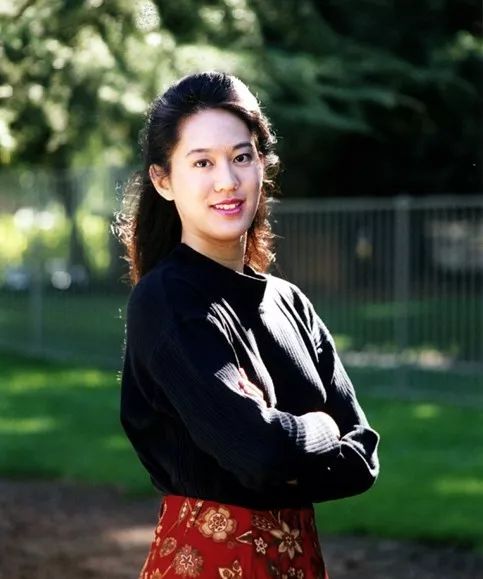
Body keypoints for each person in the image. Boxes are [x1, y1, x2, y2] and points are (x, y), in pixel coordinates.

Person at [116, 71, 380, 579]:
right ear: (163, 180)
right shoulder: (168, 302)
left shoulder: (290, 303)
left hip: (300, 562)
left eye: (241, 157)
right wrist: (323, 428)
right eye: (202, 163)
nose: (227, 181)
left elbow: (363, 456)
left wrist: (282, 449)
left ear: (263, 165)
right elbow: (259, 453)